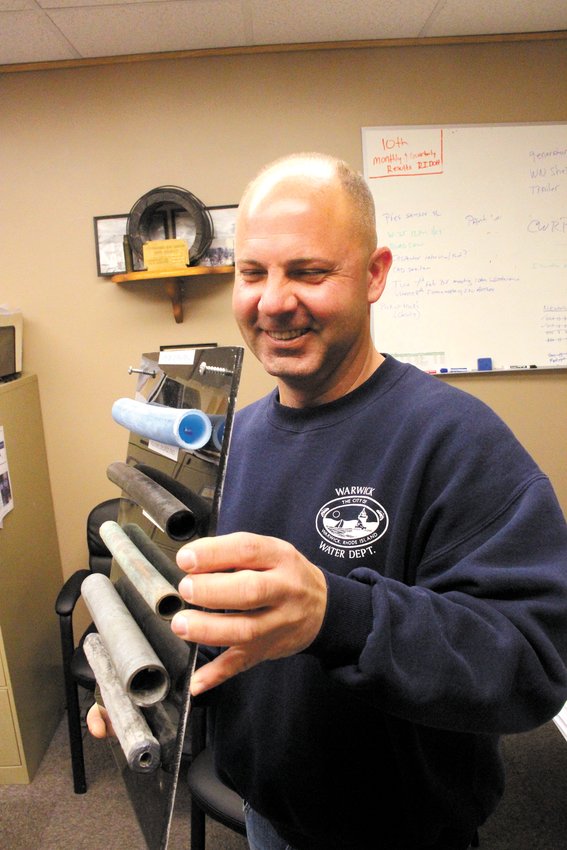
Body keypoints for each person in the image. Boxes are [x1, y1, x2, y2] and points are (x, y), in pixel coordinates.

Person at [89, 153, 567, 850]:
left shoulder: (456, 440)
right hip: (267, 818)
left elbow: (532, 660)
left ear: (374, 275)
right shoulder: (235, 441)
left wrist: (336, 614)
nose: (273, 300)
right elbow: (211, 623)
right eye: (253, 273)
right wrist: (141, 682)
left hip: (407, 834)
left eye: (308, 272)